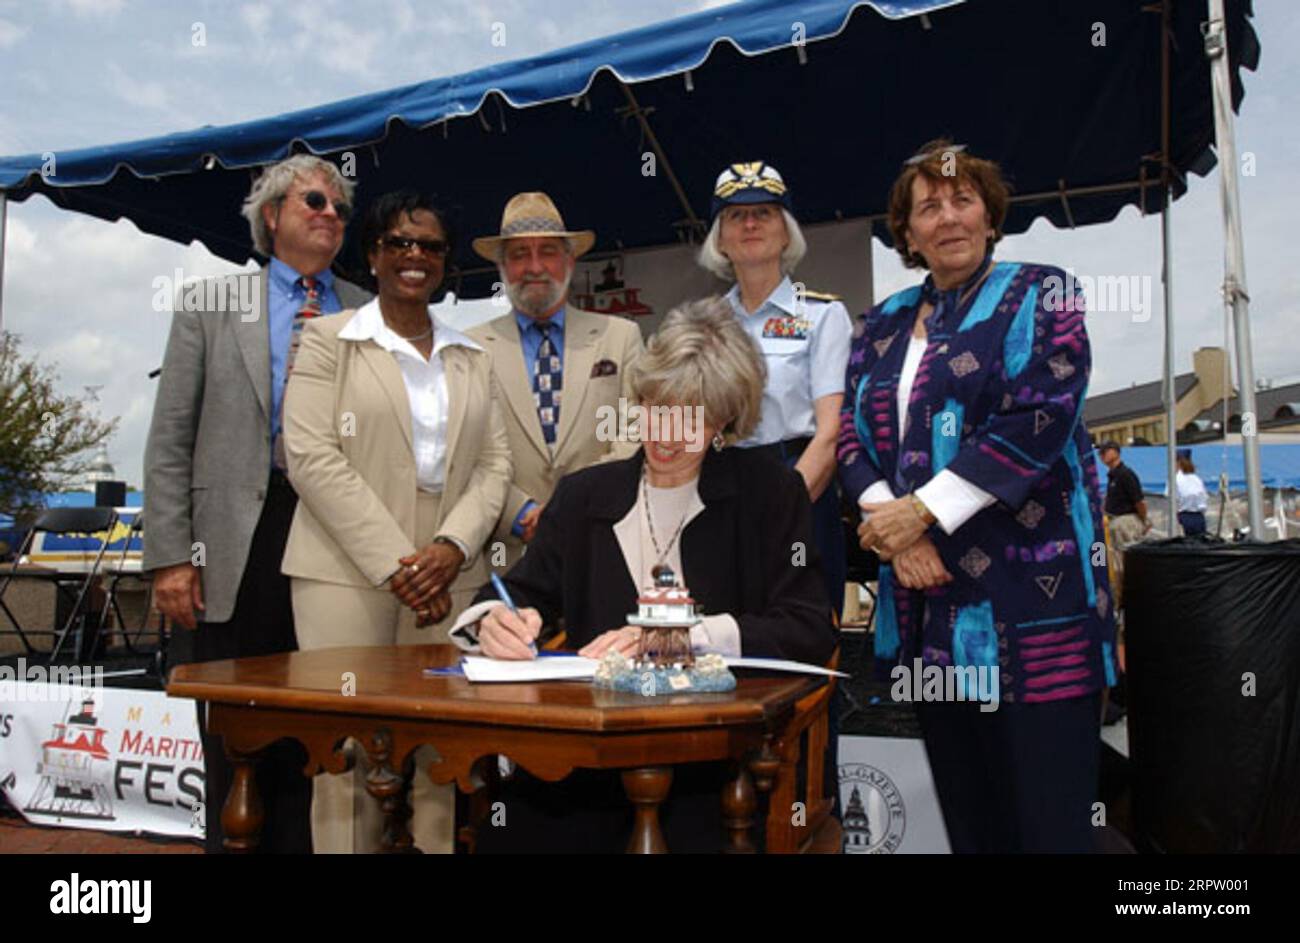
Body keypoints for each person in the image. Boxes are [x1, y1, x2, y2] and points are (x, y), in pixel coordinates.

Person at [449, 297, 837, 852]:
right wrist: (495, 620)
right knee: (513, 827)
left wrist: (688, 638)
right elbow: (516, 591)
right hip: (588, 757)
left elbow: (808, 625)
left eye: (693, 419)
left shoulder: (769, 493)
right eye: (658, 410)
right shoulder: (586, 496)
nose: (667, 435)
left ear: (726, 420)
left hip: (710, 759)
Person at [838, 139, 1117, 853]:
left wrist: (920, 511)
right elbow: (850, 440)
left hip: (1035, 604)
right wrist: (899, 533)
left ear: (991, 215)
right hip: (926, 604)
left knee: (1051, 828)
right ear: (906, 233)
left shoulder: (1043, 291)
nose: (948, 217)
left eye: (963, 200)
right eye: (928, 207)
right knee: (972, 825)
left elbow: (1039, 416)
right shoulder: (880, 323)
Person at [144, 154, 369, 853]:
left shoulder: (367, 309)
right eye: (314, 201)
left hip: (331, 538)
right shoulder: (211, 305)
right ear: (271, 216)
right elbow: (170, 437)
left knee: (317, 731)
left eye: (338, 206)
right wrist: (172, 558)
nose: (331, 214)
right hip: (228, 548)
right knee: (231, 735)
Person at [280, 190, 511, 853]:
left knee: (442, 754)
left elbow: (495, 464)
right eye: (399, 242)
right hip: (343, 570)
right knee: (346, 750)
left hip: (451, 574)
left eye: (430, 246)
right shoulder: (329, 339)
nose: (414, 256)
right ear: (374, 253)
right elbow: (310, 454)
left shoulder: (474, 355)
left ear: (446, 264)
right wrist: (398, 563)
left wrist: (450, 546)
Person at [698, 161, 853, 616]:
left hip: (800, 478)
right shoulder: (704, 323)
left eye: (764, 213)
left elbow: (831, 432)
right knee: (726, 623)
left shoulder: (822, 315)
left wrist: (783, 507)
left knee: (804, 620)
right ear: (719, 240)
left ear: (787, 233)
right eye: (735, 216)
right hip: (720, 484)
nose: (750, 224)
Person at [467, 192, 644, 571]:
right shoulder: (470, 348)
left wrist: (571, 507)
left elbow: (632, 437)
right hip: (509, 554)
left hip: (603, 544)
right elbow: (466, 450)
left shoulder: (621, 336)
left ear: (569, 259)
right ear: (501, 266)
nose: (534, 267)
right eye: (518, 255)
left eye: (547, 251)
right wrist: (522, 512)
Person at [1098, 440, 1151, 606]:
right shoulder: (1112, 476)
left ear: (1115, 452)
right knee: (1115, 565)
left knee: (1126, 564)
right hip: (1113, 522)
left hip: (1126, 520)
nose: (1102, 456)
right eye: (1101, 453)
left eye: (1105, 451)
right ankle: (1119, 599)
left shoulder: (1125, 474)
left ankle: (1130, 599)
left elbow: (1139, 501)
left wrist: (1143, 520)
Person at [1175, 448, 1209, 535]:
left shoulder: (1175, 479)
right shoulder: (1197, 479)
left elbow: (1171, 499)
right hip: (1199, 517)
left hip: (1184, 516)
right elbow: (1204, 498)